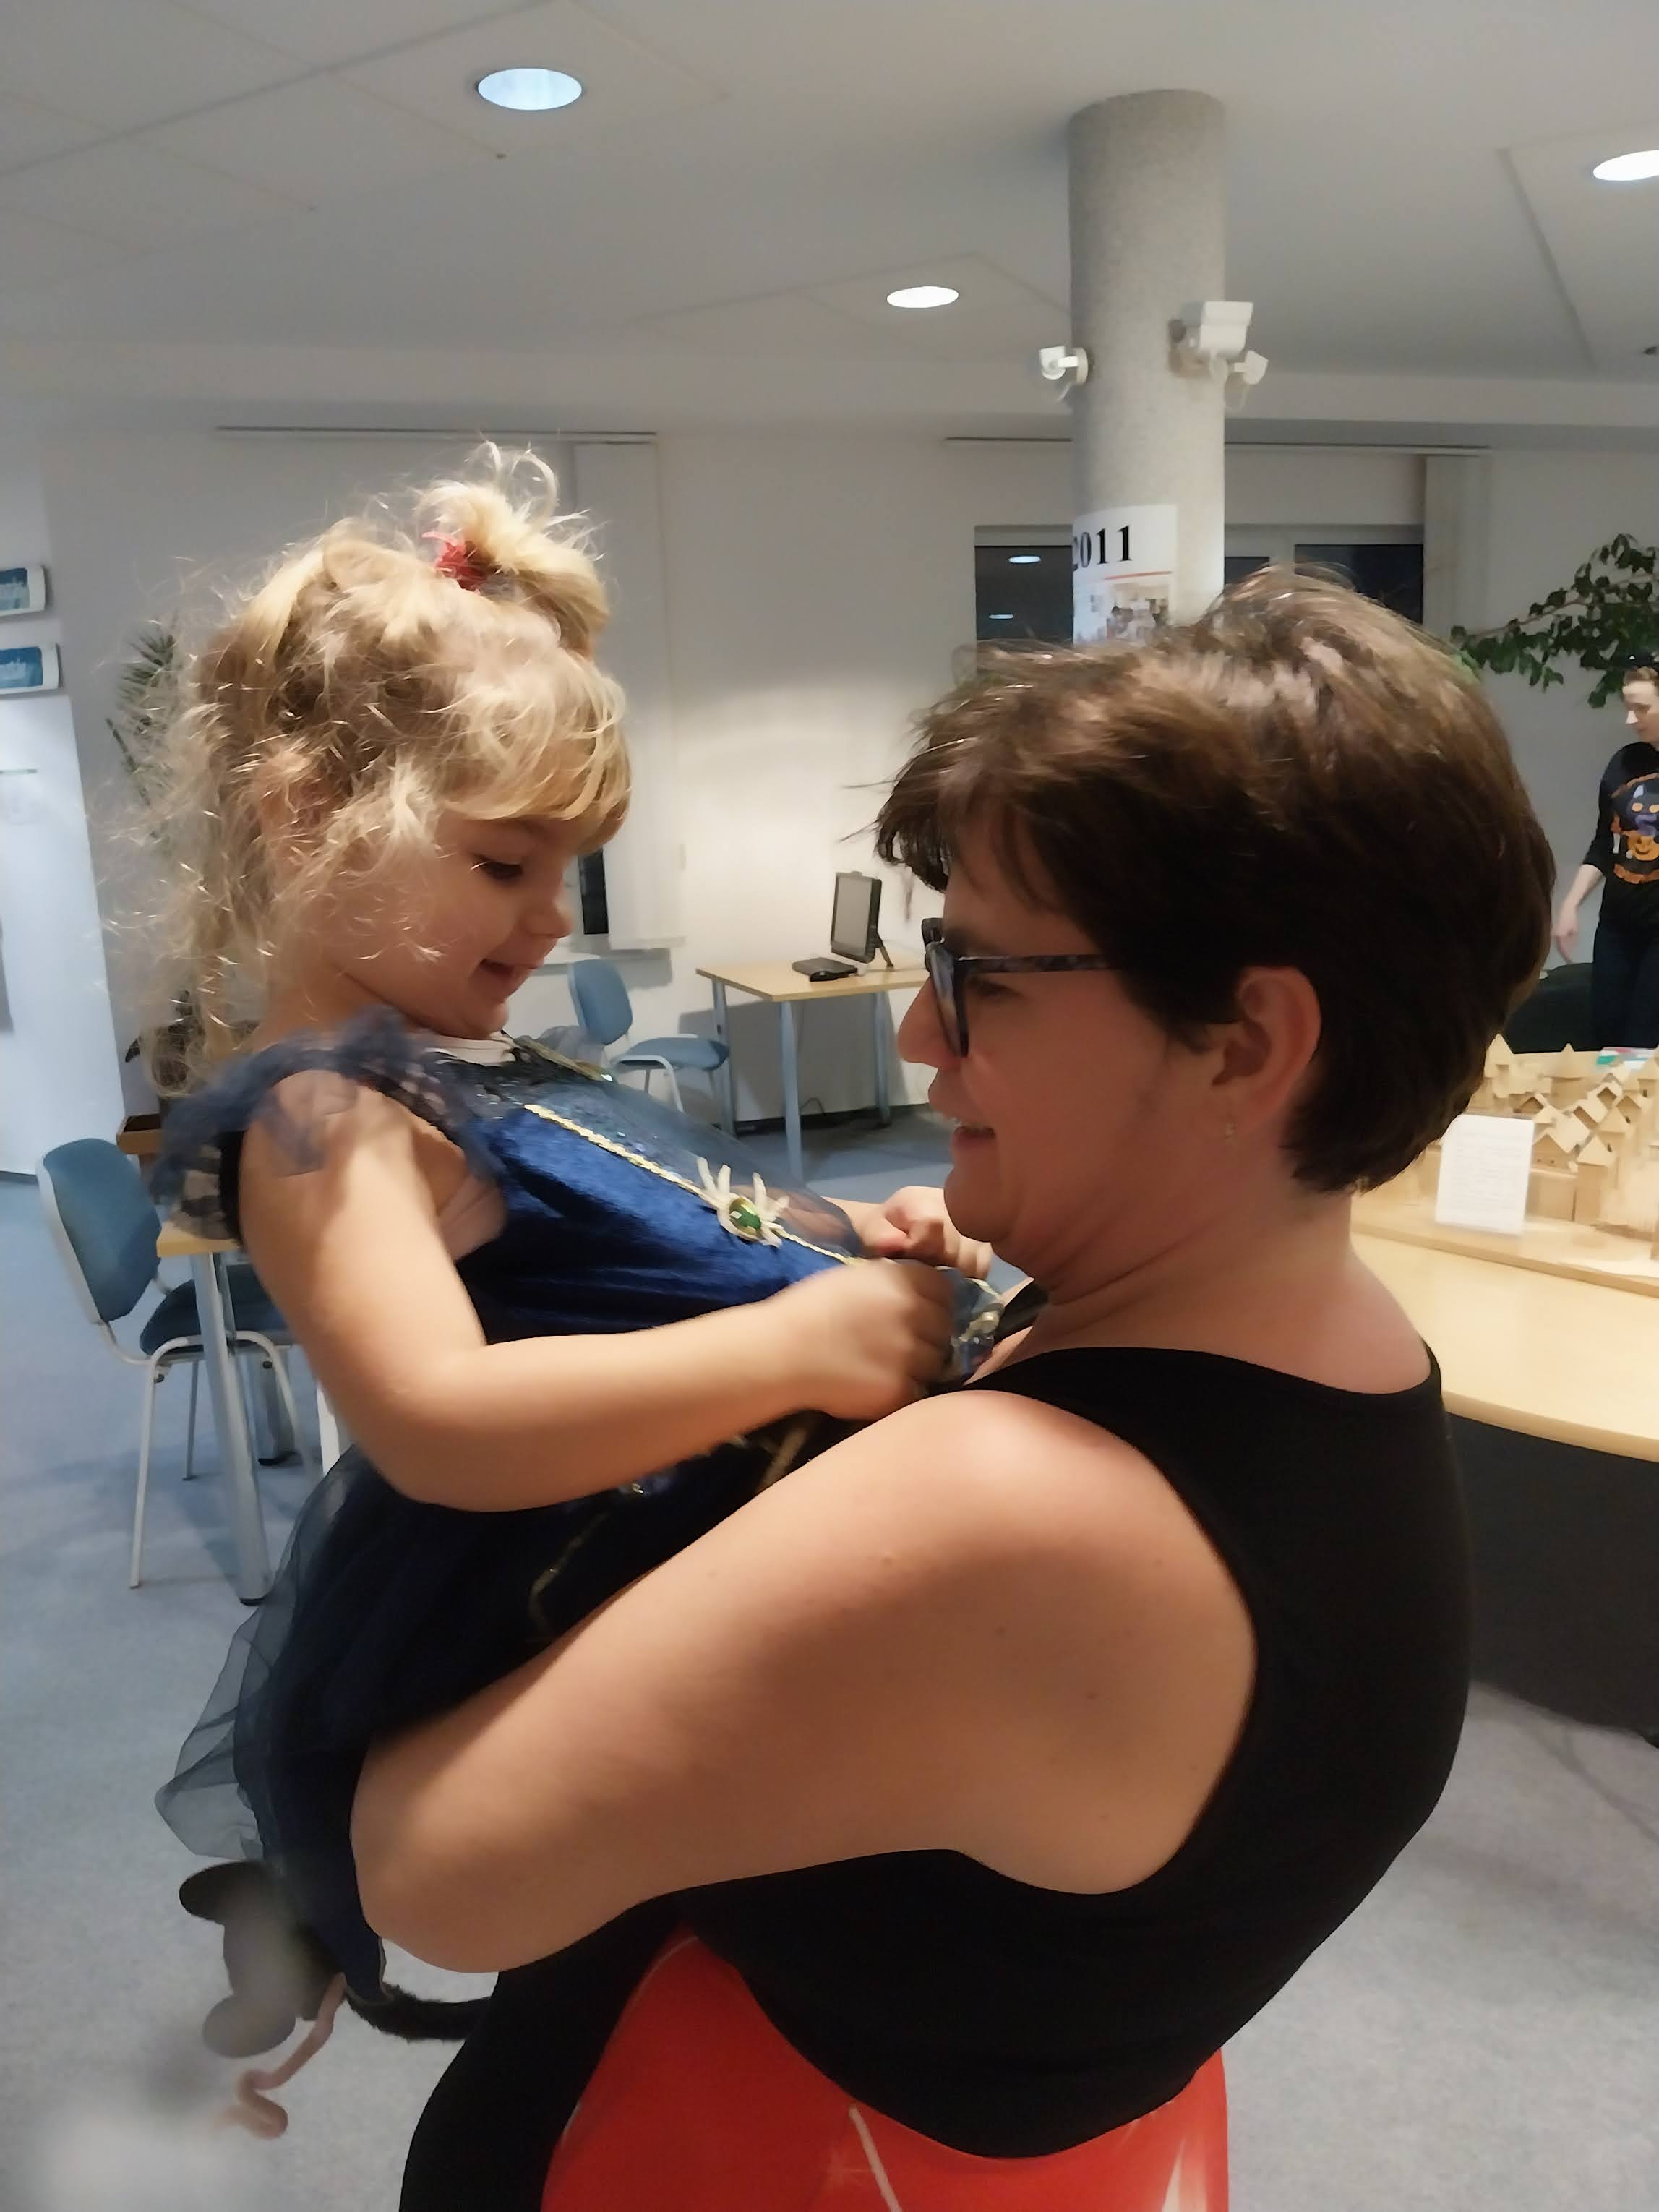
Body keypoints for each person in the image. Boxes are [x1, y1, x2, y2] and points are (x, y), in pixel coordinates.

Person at [356, 572, 1555, 2212]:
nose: (921, 1031)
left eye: (980, 972)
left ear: (1240, 1043)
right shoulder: (1342, 1345)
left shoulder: (1013, 1515)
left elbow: (431, 1874)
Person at [144, 452, 997, 2088]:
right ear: (306, 817)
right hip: (551, 1593)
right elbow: (435, 1419)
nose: (548, 917)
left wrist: (829, 1237)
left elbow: (651, 1223)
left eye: (569, 869)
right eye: (503, 863)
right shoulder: (324, 1113)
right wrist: (795, 1348)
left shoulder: (465, 1057)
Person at [1552, 651, 1659, 1045]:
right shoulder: (1623, 763)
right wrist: (1570, 904)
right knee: (1606, 1034)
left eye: (1642, 708)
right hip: (1617, 923)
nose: (1631, 719)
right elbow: (1604, 844)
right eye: (1628, 707)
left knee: (1641, 1039)